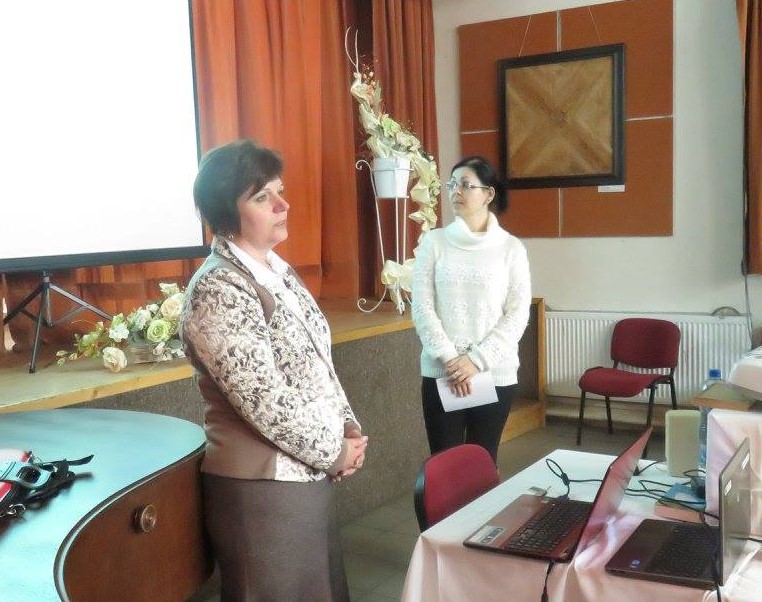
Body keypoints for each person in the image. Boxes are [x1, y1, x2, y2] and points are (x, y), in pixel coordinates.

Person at [180, 139, 367, 601]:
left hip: (303, 470)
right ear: (227, 211)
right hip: (260, 487)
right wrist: (334, 451)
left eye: (279, 191)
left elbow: (317, 362)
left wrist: (347, 429)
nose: (284, 205)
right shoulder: (218, 287)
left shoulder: (275, 271)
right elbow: (265, 400)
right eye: (263, 197)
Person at [411, 155, 531, 462]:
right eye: (452, 184)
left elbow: (518, 314)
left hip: (493, 371)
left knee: (482, 461)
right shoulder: (434, 242)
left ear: (488, 194)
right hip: (443, 371)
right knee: (445, 463)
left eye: (466, 185)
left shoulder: (511, 248)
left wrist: (476, 361)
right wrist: (452, 361)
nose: (456, 191)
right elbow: (422, 307)